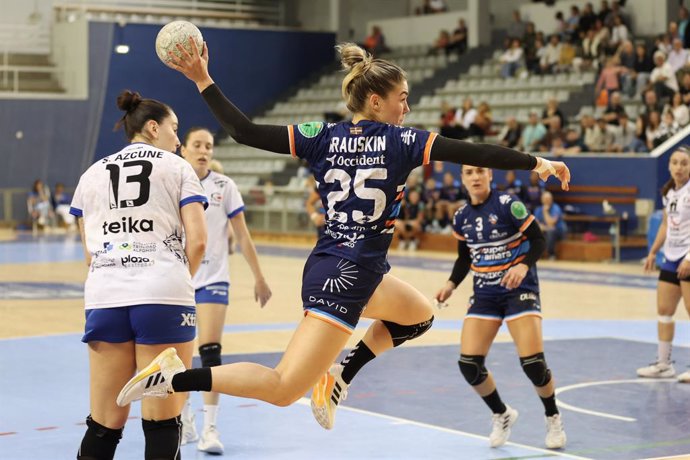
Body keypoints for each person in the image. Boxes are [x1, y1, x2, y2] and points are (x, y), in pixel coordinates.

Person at [116, 40, 570, 435]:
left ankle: (338, 377)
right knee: (281, 388)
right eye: (402, 99)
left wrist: (203, 79)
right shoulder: (404, 141)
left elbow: (244, 132)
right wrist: (537, 163)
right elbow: (474, 150)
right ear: (375, 101)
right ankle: (176, 377)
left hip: (335, 264)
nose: (406, 108)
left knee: (418, 315)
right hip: (348, 278)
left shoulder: (323, 135)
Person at [70, 90, 208, 459]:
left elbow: (89, 252)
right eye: (174, 129)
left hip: (106, 295)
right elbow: (198, 242)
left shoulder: (91, 174)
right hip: (164, 294)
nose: (178, 140)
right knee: (163, 423)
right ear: (152, 127)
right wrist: (177, 282)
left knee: (103, 425)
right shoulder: (178, 167)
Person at [434, 164, 567, 449]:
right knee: (469, 364)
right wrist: (451, 284)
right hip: (485, 293)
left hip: (519, 289)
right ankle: (502, 414)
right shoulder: (461, 216)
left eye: (480, 171)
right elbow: (464, 258)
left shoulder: (508, 204)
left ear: (490, 175)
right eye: (469, 173)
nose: (475, 177)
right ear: (463, 179)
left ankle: (553, 416)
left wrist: (522, 265)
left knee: (533, 364)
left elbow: (538, 240)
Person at [178, 127, 272, 453]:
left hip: (213, 279)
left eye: (208, 146)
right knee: (176, 355)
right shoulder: (171, 181)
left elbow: (242, 236)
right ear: (183, 150)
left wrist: (259, 277)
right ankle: (184, 420)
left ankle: (210, 428)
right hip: (177, 280)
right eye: (197, 145)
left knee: (210, 353)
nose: (204, 151)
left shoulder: (224, 186)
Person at [637, 147, 690, 383]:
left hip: (687, 257)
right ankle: (664, 364)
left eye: (684, 163)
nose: (679, 167)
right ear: (669, 165)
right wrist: (653, 251)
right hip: (671, 256)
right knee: (664, 312)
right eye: (675, 162)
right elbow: (665, 225)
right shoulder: (668, 191)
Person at [534, 191, 567, 259]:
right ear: (542, 200)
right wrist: (544, 227)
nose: (547, 201)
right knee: (534, 231)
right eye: (545, 199)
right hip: (546, 230)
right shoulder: (538, 209)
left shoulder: (556, 208)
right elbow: (536, 224)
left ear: (551, 200)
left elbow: (551, 223)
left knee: (551, 231)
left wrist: (545, 212)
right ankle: (535, 254)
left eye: (548, 199)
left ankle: (551, 254)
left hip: (558, 232)